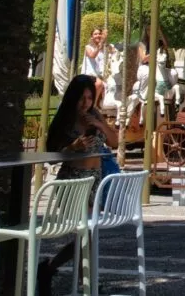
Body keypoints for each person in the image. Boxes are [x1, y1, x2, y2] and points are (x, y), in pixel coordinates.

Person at [39, 74, 120, 295]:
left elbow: (115, 142)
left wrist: (101, 125)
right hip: (72, 181)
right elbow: (52, 157)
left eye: (89, 97)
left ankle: (51, 269)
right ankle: (89, 285)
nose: (85, 103)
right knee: (87, 234)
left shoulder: (95, 115)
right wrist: (72, 147)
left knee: (87, 234)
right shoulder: (65, 120)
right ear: (73, 98)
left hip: (94, 179)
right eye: (81, 98)